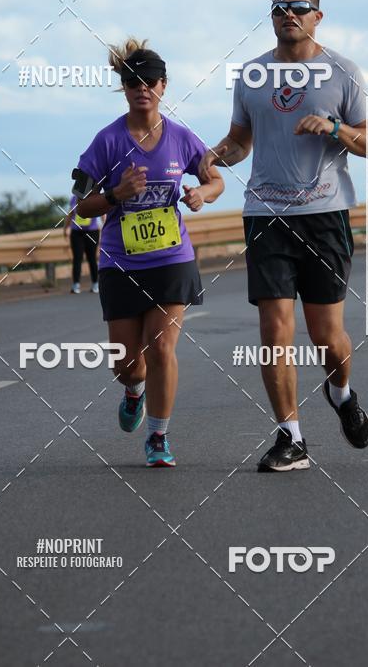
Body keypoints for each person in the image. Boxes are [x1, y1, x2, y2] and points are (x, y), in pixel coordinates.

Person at [199, 0, 368, 472]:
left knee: (326, 335)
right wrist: (213, 157)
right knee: (275, 328)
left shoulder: (343, 72)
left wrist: (336, 127)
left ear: (318, 15)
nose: (287, 14)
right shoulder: (251, 75)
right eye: (278, 8)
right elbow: (239, 142)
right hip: (266, 217)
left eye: (298, 6)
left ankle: (340, 393)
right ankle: (290, 437)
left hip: (325, 215)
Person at [73, 38, 224, 467]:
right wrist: (115, 194)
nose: (143, 88)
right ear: (123, 87)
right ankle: (133, 389)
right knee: (127, 363)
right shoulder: (106, 141)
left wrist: (202, 195)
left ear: (164, 85)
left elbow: (215, 180)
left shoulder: (180, 137)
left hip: (171, 259)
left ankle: (159, 436)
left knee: (161, 349)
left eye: (151, 81)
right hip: (120, 263)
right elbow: (80, 207)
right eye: (132, 81)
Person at [64, 194, 101, 293]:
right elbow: (71, 214)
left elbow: (102, 214)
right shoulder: (74, 198)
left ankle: (95, 284)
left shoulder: (94, 197)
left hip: (92, 231)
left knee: (92, 258)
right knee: (77, 258)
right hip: (77, 232)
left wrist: (104, 228)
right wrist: (66, 228)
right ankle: (76, 284)